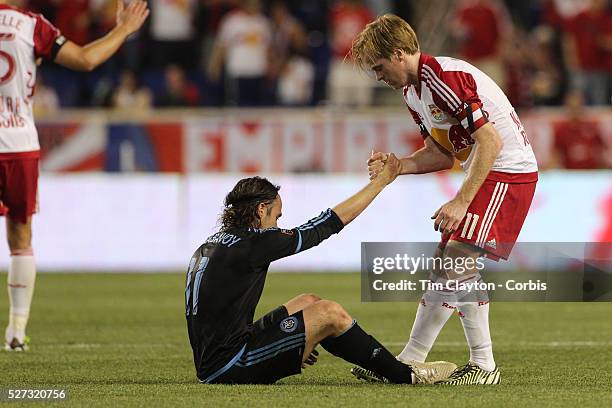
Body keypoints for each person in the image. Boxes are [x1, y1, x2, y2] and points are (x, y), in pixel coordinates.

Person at [351, 14, 538, 384]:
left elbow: (491, 141)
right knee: (447, 268)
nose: (378, 77)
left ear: (400, 53)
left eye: (379, 66)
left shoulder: (444, 78)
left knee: (456, 260)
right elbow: (442, 153)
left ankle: (483, 366)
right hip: (488, 171)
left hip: (508, 171)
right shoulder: (413, 91)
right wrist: (398, 165)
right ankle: (410, 359)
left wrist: (461, 201)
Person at [185, 167, 458, 384]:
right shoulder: (253, 242)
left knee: (309, 301)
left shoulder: (211, 244)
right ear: (260, 210)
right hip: (230, 366)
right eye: (276, 216)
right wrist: (380, 183)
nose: (277, 225)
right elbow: (323, 226)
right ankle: (405, 375)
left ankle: (367, 362)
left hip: (215, 357)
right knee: (328, 313)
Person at [1, 0, 149, 351]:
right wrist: (123, 30)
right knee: (21, 237)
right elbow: (85, 59)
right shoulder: (30, 25)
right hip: (19, 142)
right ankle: (16, 331)